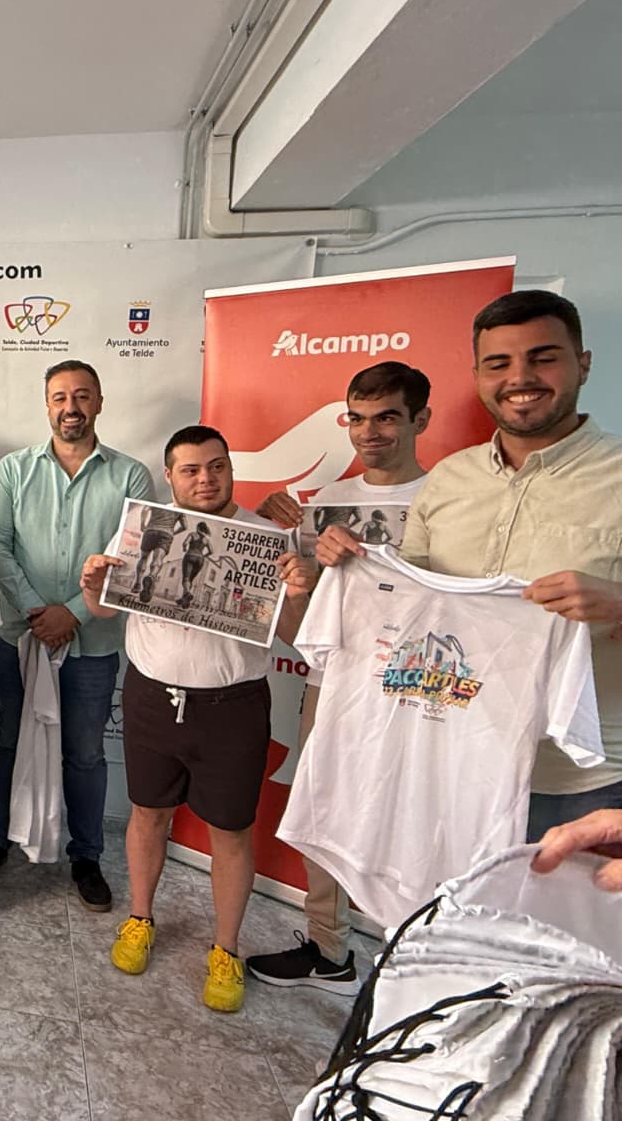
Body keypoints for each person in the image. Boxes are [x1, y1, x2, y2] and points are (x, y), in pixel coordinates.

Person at [315, 292, 622, 840]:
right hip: (445, 757)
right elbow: (404, 607)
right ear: (478, 376)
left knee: (565, 900)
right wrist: (357, 566)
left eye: (543, 357)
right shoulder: (449, 479)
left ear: (584, 363)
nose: (520, 377)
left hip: (578, 782)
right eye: (499, 363)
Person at [80, 425, 315, 1013]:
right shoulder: (142, 530)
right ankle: (140, 917)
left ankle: (226, 948)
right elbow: (102, 609)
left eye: (216, 466)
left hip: (232, 708)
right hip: (151, 698)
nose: (205, 479)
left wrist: (296, 594)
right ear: (170, 477)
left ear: (231, 468)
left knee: (231, 832)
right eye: (190, 470)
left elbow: (297, 637)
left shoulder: (267, 541)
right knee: (147, 813)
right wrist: (92, 585)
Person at [248, 361, 432, 994]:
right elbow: (298, 625)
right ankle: (330, 950)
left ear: (420, 420)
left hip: (418, 689)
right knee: (322, 808)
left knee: (413, 817)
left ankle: (418, 961)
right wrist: (275, 552)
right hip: (331, 684)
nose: (369, 431)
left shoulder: (449, 500)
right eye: (358, 418)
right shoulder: (323, 504)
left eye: (387, 417)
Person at [0, 360, 154, 910]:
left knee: (84, 753)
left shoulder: (131, 477)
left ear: (98, 402)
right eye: (60, 397)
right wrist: (38, 612)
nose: (70, 407)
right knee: (9, 740)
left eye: (81, 396)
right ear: (47, 404)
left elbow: (134, 560)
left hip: (92, 645)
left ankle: (86, 855)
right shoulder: (13, 471)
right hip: (21, 636)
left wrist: (72, 615)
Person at [175, 522, 212, 609]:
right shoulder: (206, 539)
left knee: (186, 578)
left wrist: (184, 549)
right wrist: (203, 556)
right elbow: (211, 551)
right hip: (200, 560)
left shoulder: (193, 534)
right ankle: (184, 600)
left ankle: (187, 593)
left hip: (190, 556)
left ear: (198, 527)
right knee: (190, 580)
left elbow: (185, 543)